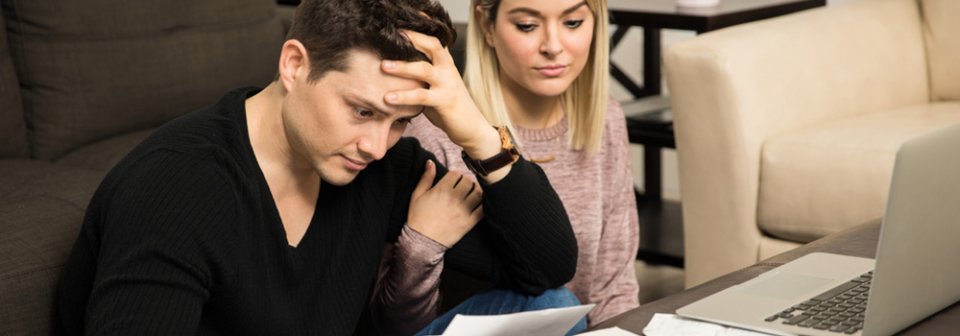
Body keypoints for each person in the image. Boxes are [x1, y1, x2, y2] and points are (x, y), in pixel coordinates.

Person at [54, 0, 579, 335]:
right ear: (294, 65)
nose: (377, 144)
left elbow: (545, 268)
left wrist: (474, 130)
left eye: (402, 121)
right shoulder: (175, 189)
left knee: (553, 303)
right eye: (363, 110)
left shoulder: (382, 164)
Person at [384, 0, 641, 330]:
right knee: (551, 302)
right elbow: (397, 324)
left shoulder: (606, 120)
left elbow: (615, 288)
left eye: (573, 23)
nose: (553, 47)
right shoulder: (431, 135)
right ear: (488, 26)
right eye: (527, 26)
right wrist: (421, 245)